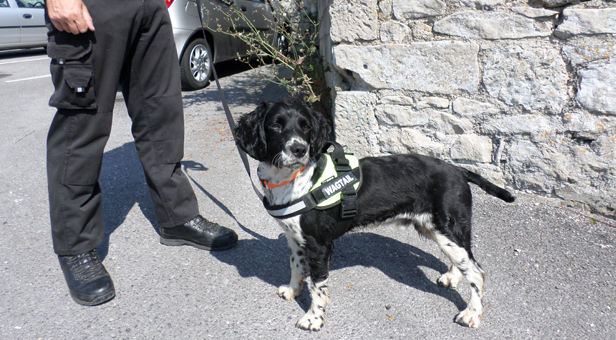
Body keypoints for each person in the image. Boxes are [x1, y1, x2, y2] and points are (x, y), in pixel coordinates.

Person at [45, 0, 238, 306]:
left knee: (160, 114)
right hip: (92, 7)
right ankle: (75, 245)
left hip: (151, 9)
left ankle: (178, 218)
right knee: (82, 124)